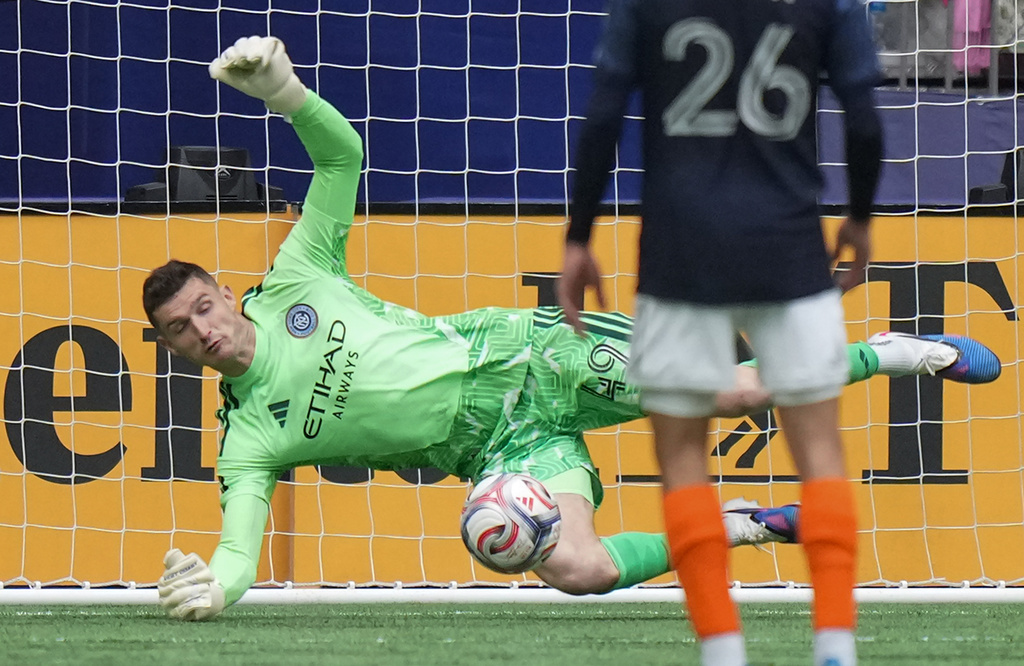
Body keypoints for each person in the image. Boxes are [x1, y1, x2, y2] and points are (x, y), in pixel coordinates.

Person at [151, 35, 1000, 625]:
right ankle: (739, 523)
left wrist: (285, 95)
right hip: (497, 455)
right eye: (183, 333)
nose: (203, 331)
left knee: (737, 391)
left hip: (531, 357)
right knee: (579, 572)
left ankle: (898, 352)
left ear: (225, 293)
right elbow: (238, 553)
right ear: (178, 352)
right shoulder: (249, 440)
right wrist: (215, 591)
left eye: (203, 307)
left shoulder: (297, 274)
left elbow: (342, 159)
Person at [557, 2, 915, 665]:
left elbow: (604, 116)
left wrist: (579, 237)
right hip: (790, 250)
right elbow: (865, 121)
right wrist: (860, 221)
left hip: (678, 257)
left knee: (685, 461)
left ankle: (723, 652)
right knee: (820, 455)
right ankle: (835, 645)